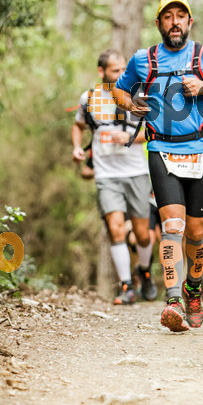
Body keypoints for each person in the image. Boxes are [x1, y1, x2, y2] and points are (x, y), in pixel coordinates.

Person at [114, 0, 203, 331]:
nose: (175, 22)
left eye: (180, 16)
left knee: (197, 231)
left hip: (201, 150)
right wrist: (131, 105)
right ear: (158, 24)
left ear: (190, 22)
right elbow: (118, 91)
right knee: (173, 227)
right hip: (162, 151)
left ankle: (193, 289)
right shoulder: (144, 60)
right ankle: (173, 301)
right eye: (167, 17)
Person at [72, 49, 157, 304]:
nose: (121, 75)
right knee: (115, 228)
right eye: (115, 71)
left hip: (136, 173)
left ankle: (144, 271)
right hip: (107, 176)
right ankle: (126, 287)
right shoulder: (88, 99)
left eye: (124, 70)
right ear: (102, 72)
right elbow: (78, 126)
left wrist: (130, 137)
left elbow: (154, 132)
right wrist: (77, 147)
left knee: (143, 235)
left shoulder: (139, 96)